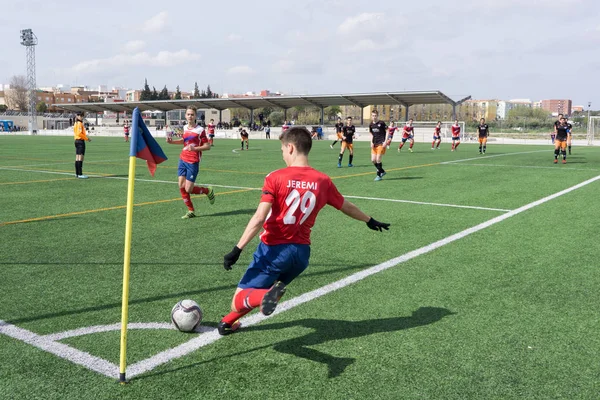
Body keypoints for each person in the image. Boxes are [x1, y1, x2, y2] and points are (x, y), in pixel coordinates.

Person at [217, 126, 390, 335]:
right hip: (300, 255)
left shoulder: (275, 177)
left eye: (282, 149)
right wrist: (369, 220)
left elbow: (259, 217)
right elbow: (345, 206)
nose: (282, 154)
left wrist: (237, 249)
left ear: (290, 148)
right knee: (262, 289)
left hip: (273, 251)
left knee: (240, 299)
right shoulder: (322, 180)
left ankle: (261, 298)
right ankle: (228, 322)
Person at [166, 105, 215, 219]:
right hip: (182, 159)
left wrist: (195, 149)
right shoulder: (185, 128)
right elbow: (184, 141)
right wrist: (172, 142)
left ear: (195, 116)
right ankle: (191, 210)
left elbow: (207, 146)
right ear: (185, 115)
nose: (190, 116)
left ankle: (207, 191)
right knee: (181, 186)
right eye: (188, 114)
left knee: (188, 189)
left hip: (193, 161)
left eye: (192, 114)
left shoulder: (200, 130)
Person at [369, 110, 388, 181]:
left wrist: (385, 141)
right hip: (374, 144)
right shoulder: (371, 124)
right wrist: (371, 142)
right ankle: (382, 171)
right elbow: (371, 133)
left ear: (377, 116)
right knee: (373, 160)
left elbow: (388, 130)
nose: (374, 117)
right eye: (373, 115)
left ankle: (378, 175)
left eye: (375, 116)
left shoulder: (381, 123)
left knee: (378, 159)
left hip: (381, 143)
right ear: (371, 116)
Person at [73, 112, 91, 179]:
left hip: (76, 141)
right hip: (80, 141)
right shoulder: (79, 124)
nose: (81, 117)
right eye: (80, 116)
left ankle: (77, 173)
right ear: (78, 116)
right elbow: (80, 133)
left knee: (77, 157)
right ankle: (80, 173)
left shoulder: (75, 123)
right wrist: (87, 138)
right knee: (80, 157)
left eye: (82, 116)